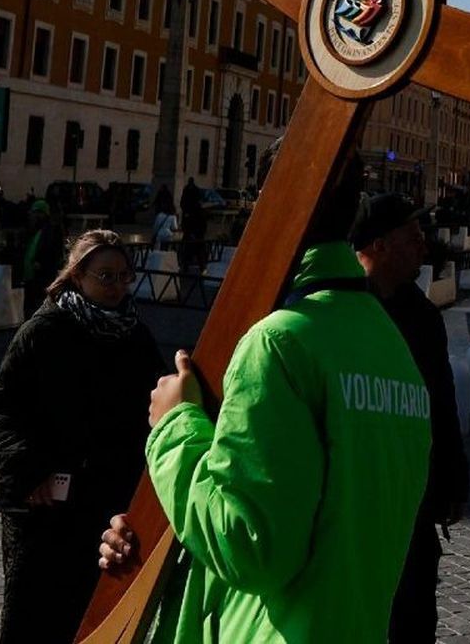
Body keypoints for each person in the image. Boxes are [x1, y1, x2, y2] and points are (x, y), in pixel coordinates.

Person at [98, 161, 432, 642]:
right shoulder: (389, 344)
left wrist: (174, 426)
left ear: (267, 208)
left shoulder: (279, 344)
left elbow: (250, 549)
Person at [0, 229, 163, 644]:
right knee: (36, 623)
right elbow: (0, 406)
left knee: (95, 622)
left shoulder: (136, 334)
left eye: (123, 276)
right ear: (78, 276)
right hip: (45, 511)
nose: (116, 286)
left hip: (108, 511)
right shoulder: (45, 330)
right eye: (105, 276)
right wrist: (27, 471)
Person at [350, 193, 470, 643]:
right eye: (413, 238)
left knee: (415, 619)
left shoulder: (421, 313)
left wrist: (454, 480)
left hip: (411, 502)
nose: (425, 247)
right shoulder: (340, 310)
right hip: (357, 498)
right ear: (379, 246)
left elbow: (440, 399)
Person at [19, 200, 64, 317]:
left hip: (42, 276)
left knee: (39, 307)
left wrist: (42, 263)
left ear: (42, 214)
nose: (33, 216)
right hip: (30, 276)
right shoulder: (33, 231)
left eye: (36, 213)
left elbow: (54, 252)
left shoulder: (51, 231)